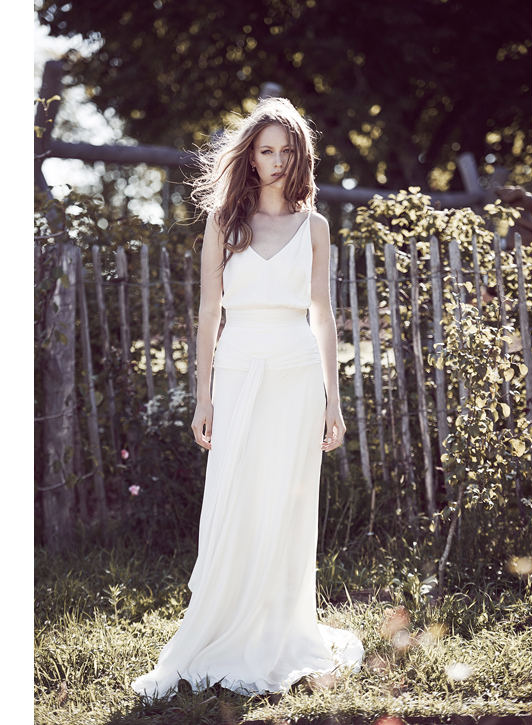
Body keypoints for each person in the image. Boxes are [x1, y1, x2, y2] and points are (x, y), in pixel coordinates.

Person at [130, 97, 365, 699]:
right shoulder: (224, 223)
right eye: (266, 150)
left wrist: (333, 401)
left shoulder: (315, 227)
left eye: (287, 151)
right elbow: (209, 314)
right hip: (237, 370)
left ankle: (280, 629)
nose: (277, 161)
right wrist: (203, 396)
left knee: (286, 503)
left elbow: (322, 313)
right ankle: (222, 625)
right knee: (234, 496)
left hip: (296, 372)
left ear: (299, 157)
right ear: (251, 157)